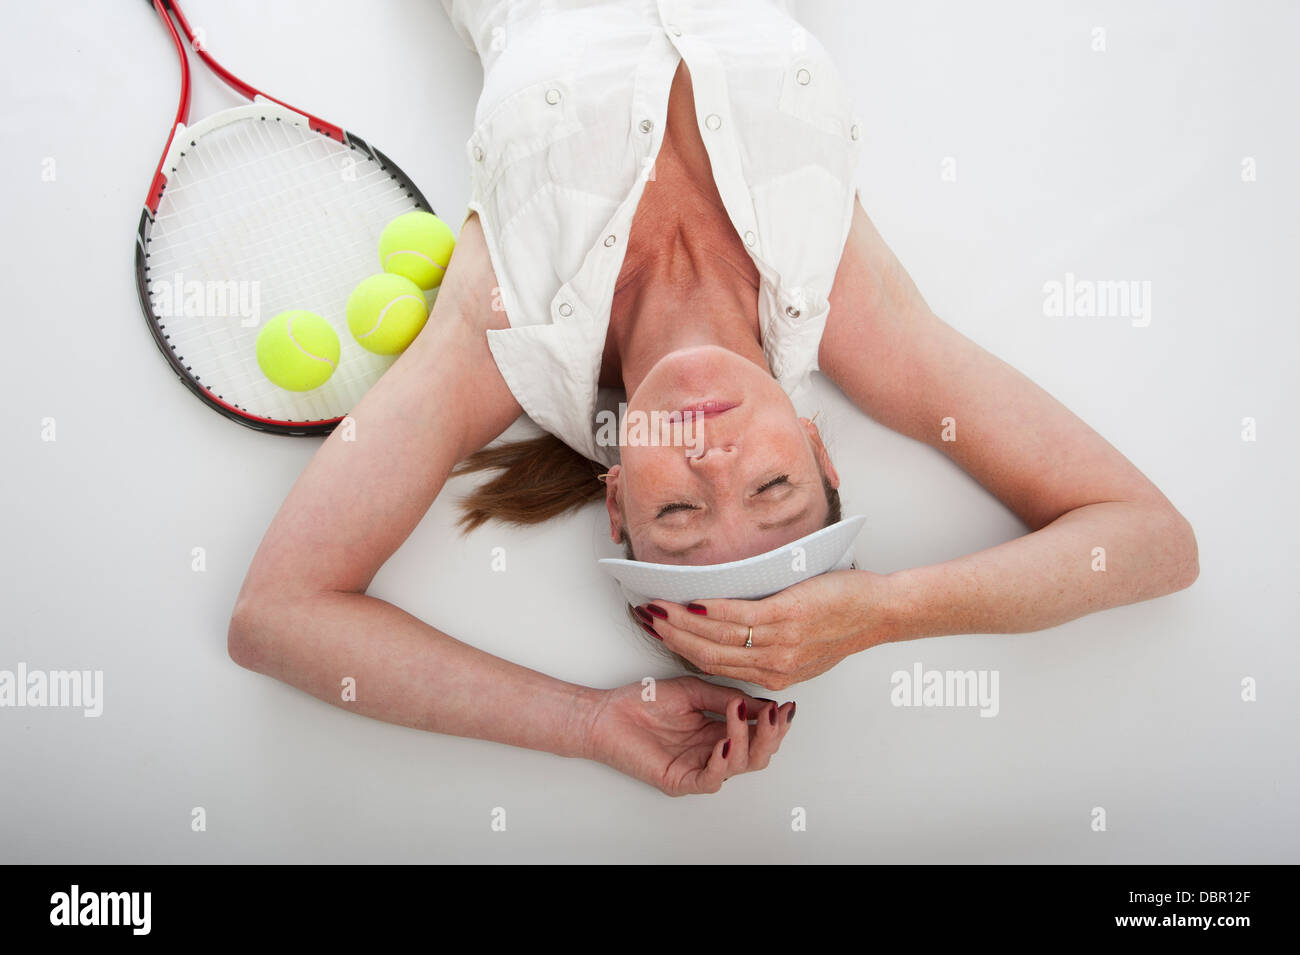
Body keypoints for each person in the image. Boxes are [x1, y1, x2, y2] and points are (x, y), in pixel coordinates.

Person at [227, 0, 1198, 796]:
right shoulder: (847, 308)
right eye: (774, 488)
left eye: (679, 510)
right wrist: (887, 611)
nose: (712, 458)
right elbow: (1150, 539)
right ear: (819, 448)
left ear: (616, 497)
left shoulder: (505, 333)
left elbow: (279, 615)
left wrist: (587, 721)